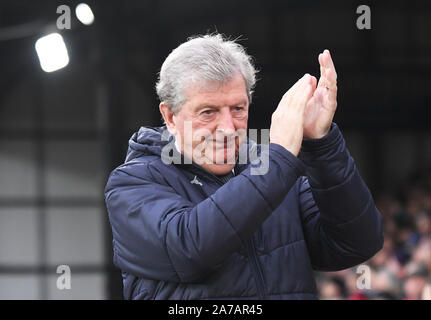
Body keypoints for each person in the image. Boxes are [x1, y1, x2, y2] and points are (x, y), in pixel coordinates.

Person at [104, 34, 384, 300]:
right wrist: (279, 159)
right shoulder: (132, 183)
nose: (228, 128)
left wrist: (320, 145)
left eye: (238, 108)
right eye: (208, 112)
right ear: (170, 116)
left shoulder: (275, 169)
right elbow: (190, 250)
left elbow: (357, 243)